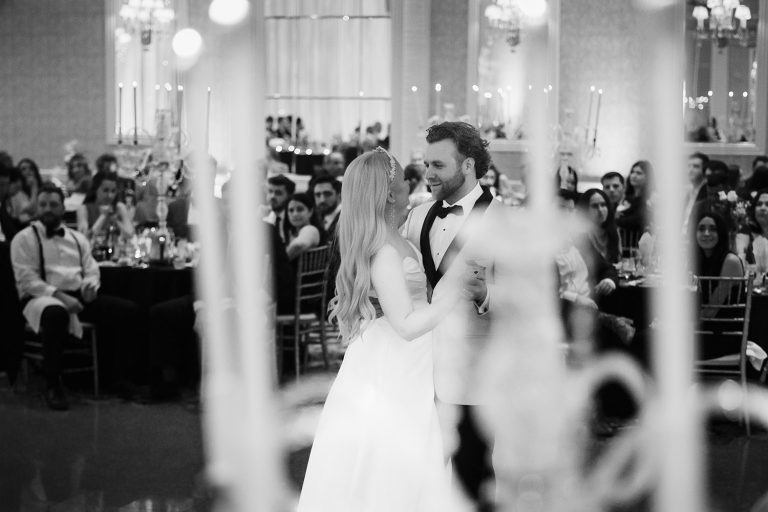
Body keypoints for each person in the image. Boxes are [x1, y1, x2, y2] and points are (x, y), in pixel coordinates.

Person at [298, 148, 463, 512]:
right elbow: (404, 324)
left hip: (408, 356)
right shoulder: (385, 250)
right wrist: (454, 295)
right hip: (397, 359)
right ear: (390, 191)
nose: (411, 181)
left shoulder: (395, 236)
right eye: (405, 178)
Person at [402, 121, 506, 510]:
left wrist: (487, 295)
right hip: (417, 369)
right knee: (423, 472)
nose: (427, 174)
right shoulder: (418, 216)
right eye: (426, 163)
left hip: (473, 374)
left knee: (472, 474)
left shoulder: (504, 221)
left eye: (438, 165)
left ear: (467, 166)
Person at [10, 183, 141, 410]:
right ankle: (53, 383)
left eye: (53, 204)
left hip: (78, 295)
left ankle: (117, 376)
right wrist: (59, 296)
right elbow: (26, 280)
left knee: (126, 310)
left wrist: (90, 287)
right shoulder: (23, 239)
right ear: (37, 209)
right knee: (55, 313)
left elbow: (91, 269)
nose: (48, 209)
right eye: (43, 205)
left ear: (63, 208)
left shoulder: (78, 238)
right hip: (39, 298)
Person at [575, 189, 620, 304]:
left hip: (608, 282)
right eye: (595, 206)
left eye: (603, 205)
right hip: (587, 291)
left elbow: (616, 262)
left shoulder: (613, 232)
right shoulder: (580, 236)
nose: (600, 210)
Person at [76, 171, 134, 239]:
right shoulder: (84, 208)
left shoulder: (119, 207)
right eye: (105, 190)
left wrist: (116, 221)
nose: (110, 196)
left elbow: (130, 235)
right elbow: (83, 238)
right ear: (95, 190)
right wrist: (102, 216)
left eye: (113, 191)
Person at [615, 160, 653, 242]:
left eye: (639, 173)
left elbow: (639, 220)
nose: (634, 176)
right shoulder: (626, 197)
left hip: (641, 242)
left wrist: (616, 219)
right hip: (624, 241)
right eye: (632, 172)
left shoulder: (650, 198)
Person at [285, 192, 321, 261]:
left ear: (310, 211)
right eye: (291, 210)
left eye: (300, 209)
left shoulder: (310, 229)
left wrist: (278, 263)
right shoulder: (290, 232)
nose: (295, 214)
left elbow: (298, 245)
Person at [263, 174, 295, 242]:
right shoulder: (264, 217)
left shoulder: (294, 218)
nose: (272, 196)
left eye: (278, 193)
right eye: (270, 191)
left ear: (289, 196)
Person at [311, 174, 342, 244]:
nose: (322, 200)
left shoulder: (347, 217)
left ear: (339, 194)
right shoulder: (314, 215)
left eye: (327, 194)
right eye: (318, 195)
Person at [683, 152, 709, 234]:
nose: (690, 170)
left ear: (705, 170)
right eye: (688, 166)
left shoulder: (707, 192)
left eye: (696, 166)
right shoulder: (689, 192)